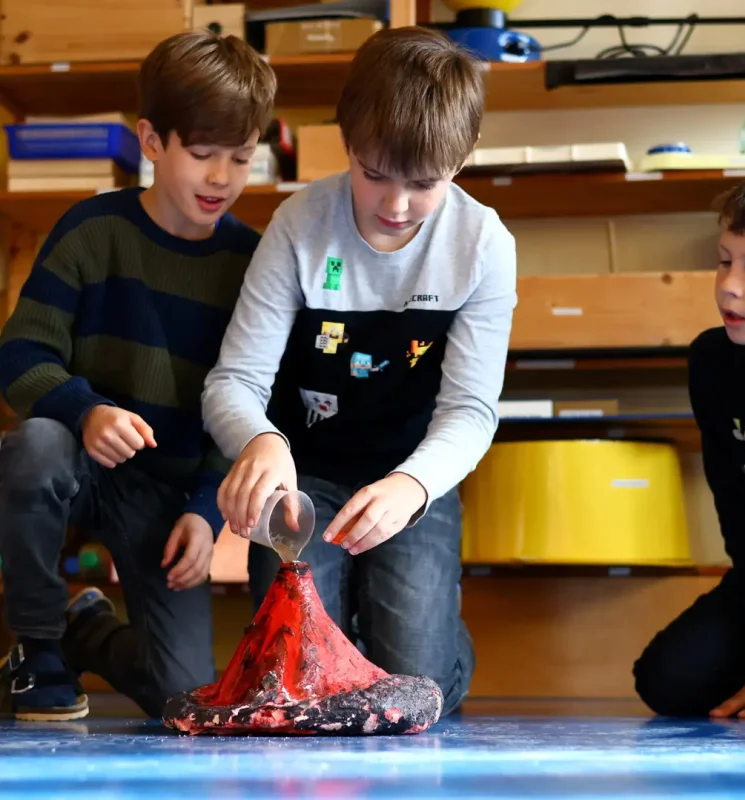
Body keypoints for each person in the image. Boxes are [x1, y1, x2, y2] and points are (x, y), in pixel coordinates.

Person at [201, 25, 517, 716]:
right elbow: (234, 382)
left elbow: (471, 410)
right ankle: (365, 621)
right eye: (374, 174)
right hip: (304, 474)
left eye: (424, 184)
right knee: (299, 679)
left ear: (462, 161)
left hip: (411, 478)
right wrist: (262, 442)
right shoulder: (298, 225)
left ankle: (417, 623)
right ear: (347, 141)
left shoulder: (484, 243)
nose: (396, 206)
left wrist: (412, 485)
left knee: (415, 687)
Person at [0, 29, 276, 721]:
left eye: (241, 158)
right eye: (203, 154)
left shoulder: (253, 264)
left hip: (164, 490)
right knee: (34, 445)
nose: (222, 177)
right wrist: (84, 410)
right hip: (79, 459)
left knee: (184, 699)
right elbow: (19, 354)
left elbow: (245, 401)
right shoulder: (92, 231)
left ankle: (80, 628)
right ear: (152, 141)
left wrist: (206, 511)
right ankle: (38, 649)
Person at [634, 167, 745, 720]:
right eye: (725, 259)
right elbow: (739, 506)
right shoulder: (714, 361)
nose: (729, 284)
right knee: (667, 680)